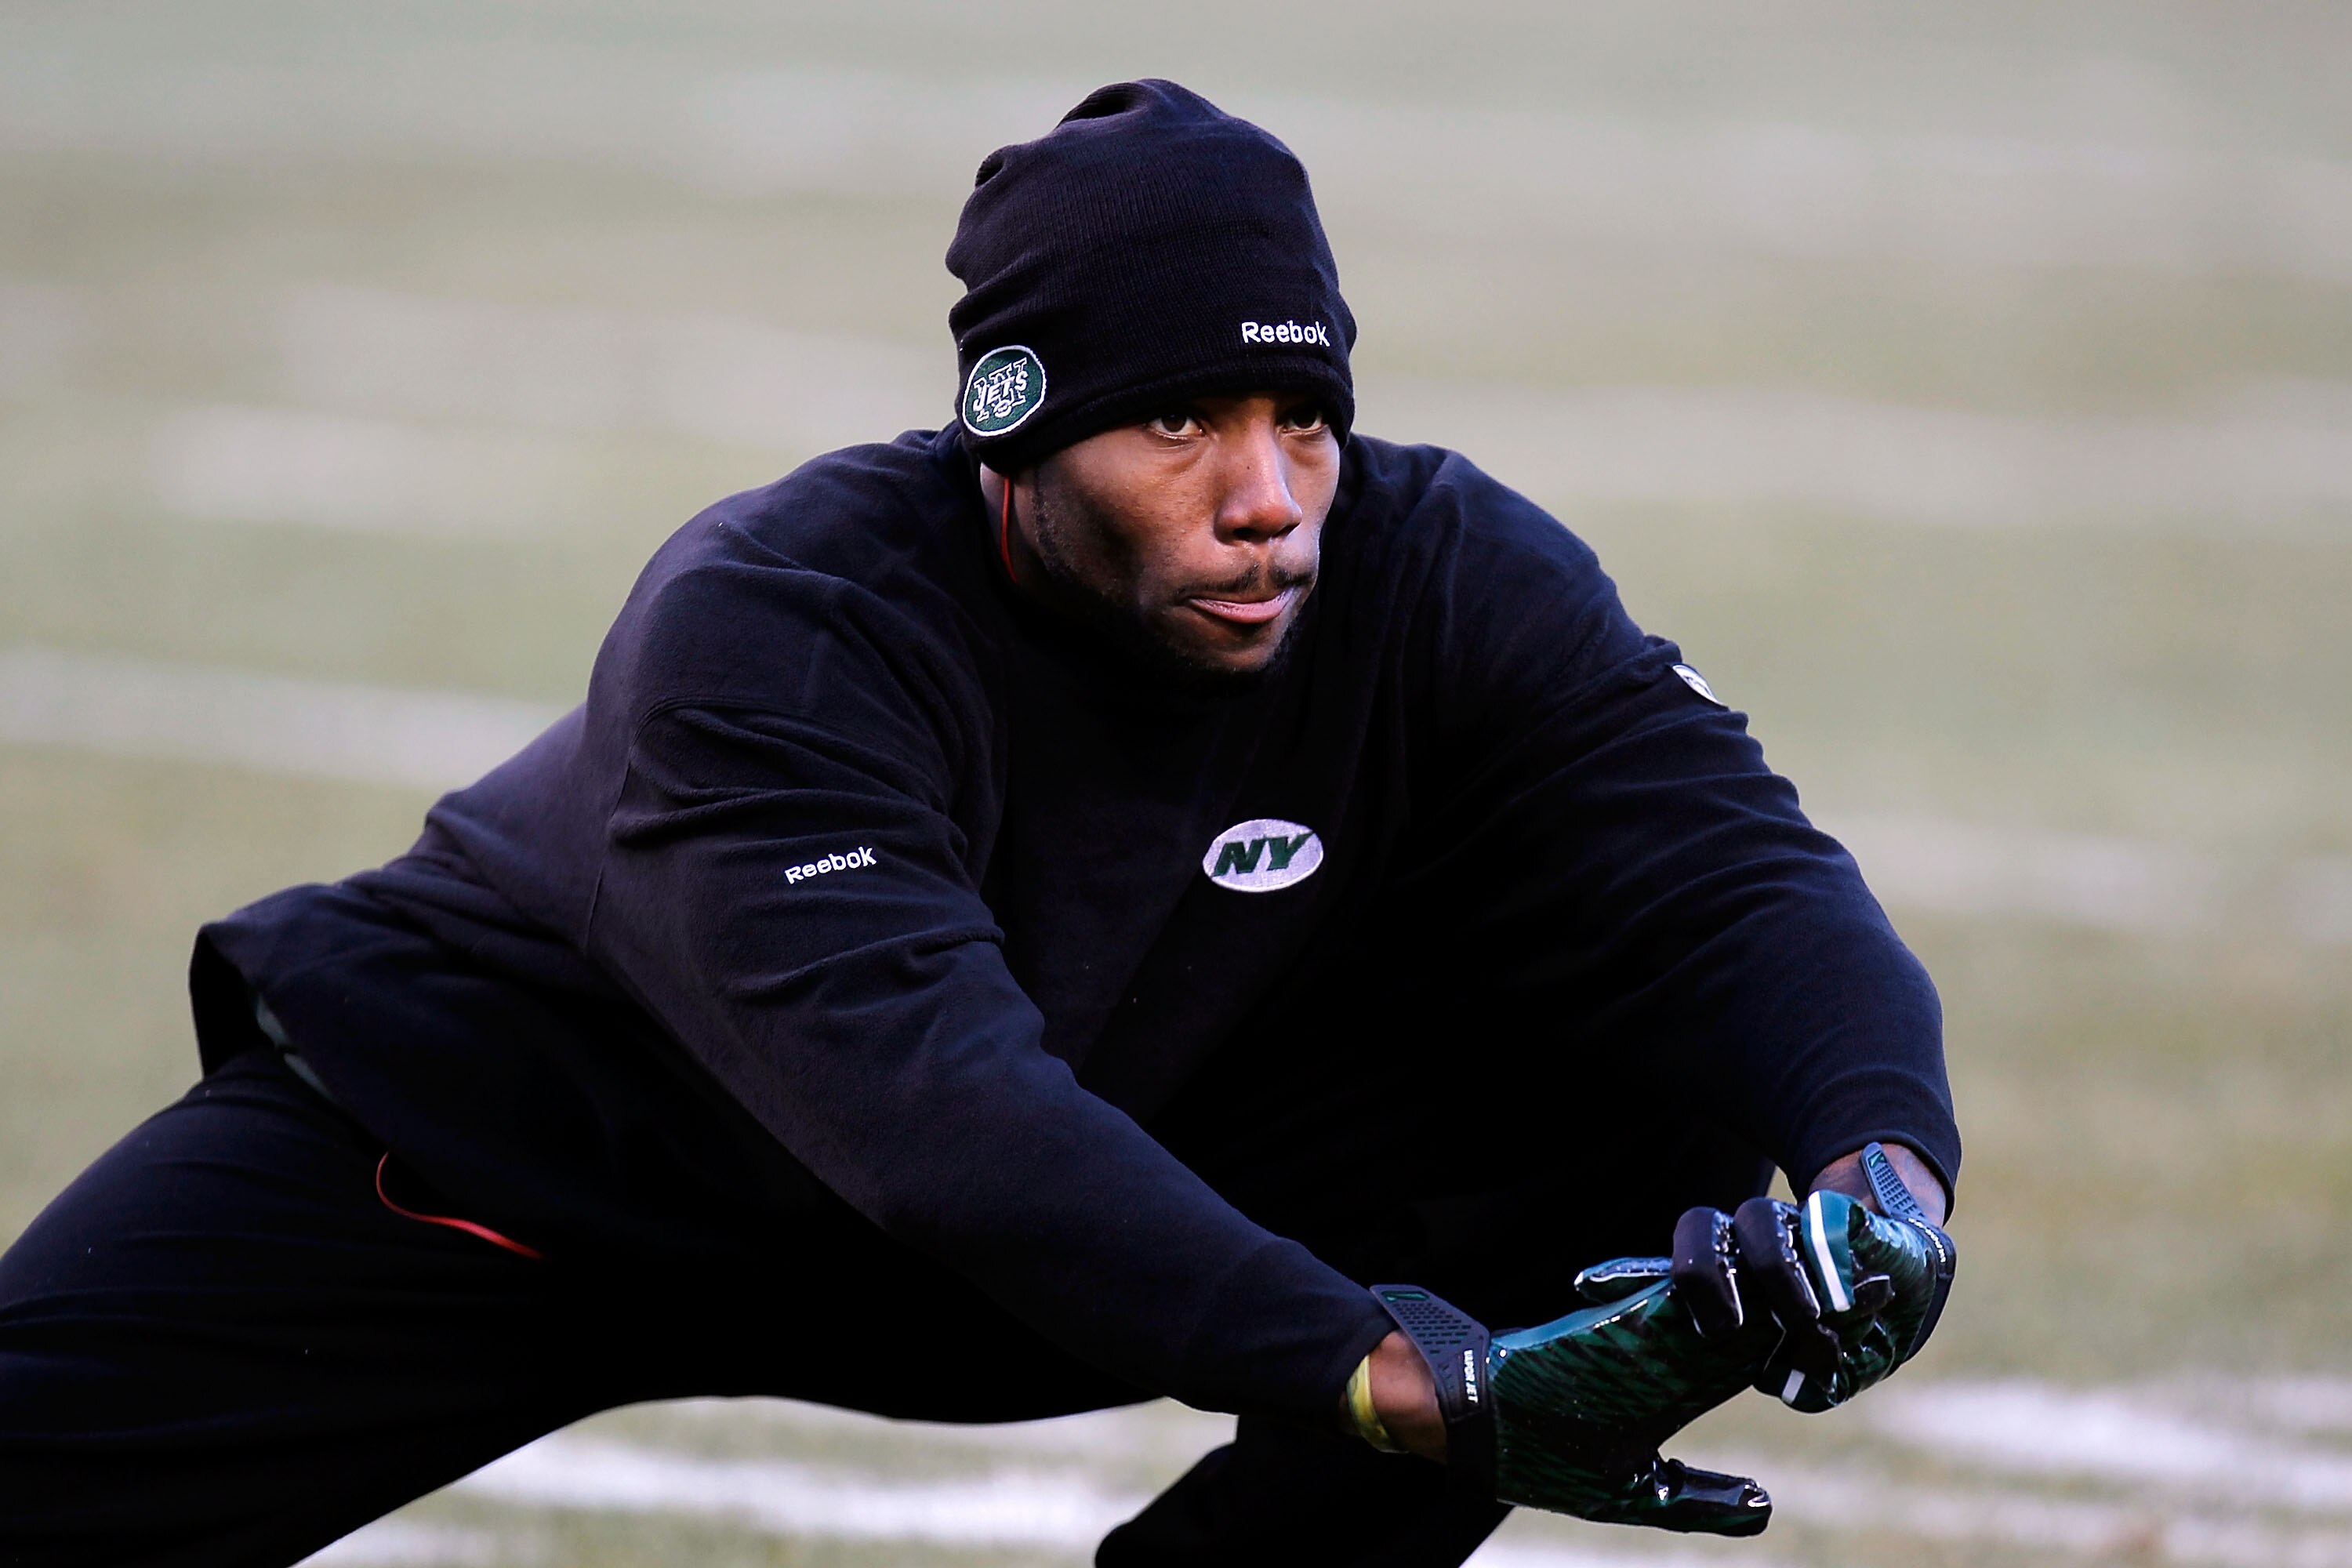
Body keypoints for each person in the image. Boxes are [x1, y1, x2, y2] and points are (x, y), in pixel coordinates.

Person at [0, 80, 1958, 1566]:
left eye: (1302, 417)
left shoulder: (1440, 569)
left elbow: (1728, 873)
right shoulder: (782, 621)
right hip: (535, 1165)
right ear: (1012, 432)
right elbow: (935, 1108)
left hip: (1052, 1210)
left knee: (1699, 1138)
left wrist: (1888, 1180)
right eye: (1180, 421)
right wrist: (1390, 1373)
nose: (1268, 493)